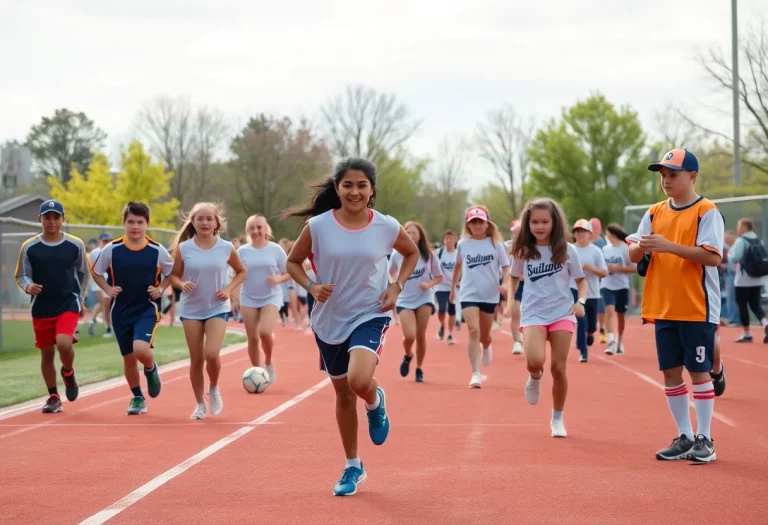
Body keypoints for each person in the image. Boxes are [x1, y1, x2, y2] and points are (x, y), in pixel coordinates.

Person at [284, 157, 419, 497]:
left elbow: (411, 253)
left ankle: (375, 401)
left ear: (372, 190)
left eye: (362, 185)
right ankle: (353, 465)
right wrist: (312, 287)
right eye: (348, 185)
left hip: (370, 313)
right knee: (343, 394)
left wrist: (396, 286)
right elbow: (293, 262)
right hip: (329, 319)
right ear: (337, 188)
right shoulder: (318, 227)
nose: (355, 191)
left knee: (360, 381)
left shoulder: (386, 226)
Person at [628, 148, 724, 463]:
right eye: (663, 175)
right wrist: (638, 248)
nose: (666, 181)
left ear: (692, 176)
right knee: (671, 372)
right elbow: (634, 254)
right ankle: (684, 435)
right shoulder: (654, 212)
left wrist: (670, 247)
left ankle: (705, 438)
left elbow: (712, 256)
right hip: (662, 305)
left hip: (696, 306)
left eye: (673, 175)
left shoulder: (706, 210)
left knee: (698, 371)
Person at [510, 198, 586, 437]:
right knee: (535, 360)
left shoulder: (566, 249)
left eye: (545, 221)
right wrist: (511, 300)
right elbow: (513, 276)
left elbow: (581, 281)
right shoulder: (523, 250)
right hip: (533, 312)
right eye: (534, 222)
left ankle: (557, 418)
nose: (540, 226)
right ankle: (534, 376)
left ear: (555, 222)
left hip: (562, 312)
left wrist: (581, 301)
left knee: (558, 366)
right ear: (527, 224)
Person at [90, 202, 170, 415]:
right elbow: (96, 271)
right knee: (128, 358)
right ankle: (137, 397)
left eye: (140, 222)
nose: (135, 226)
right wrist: (108, 288)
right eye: (131, 222)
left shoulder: (157, 250)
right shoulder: (112, 249)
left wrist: (161, 288)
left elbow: (172, 273)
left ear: (147, 224)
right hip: (121, 311)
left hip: (146, 308)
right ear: (124, 223)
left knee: (141, 350)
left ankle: (151, 369)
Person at [170, 202, 246, 420]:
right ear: (193, 223)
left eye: (208, 218)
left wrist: (229, 289)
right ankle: (199, 404)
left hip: (217, 306)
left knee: (211, 354)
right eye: (199, 219)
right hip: (192, 309)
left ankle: (213, 387)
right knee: (196, 359)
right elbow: (174, 275)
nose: (204, 222)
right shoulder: (185, 248)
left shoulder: (225, 247)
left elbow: (241, 271)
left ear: (216, 223)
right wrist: (181, 284)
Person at [14, 200, 89, 413]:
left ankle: (68, 372)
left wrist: (81, 298)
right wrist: (28, 287)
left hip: (68, 302)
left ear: (63, 219)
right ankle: (54, 396)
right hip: (41, 308)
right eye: (48, 217)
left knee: (64, 343)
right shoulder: (29, 247)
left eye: (57, 217)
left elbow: (84, 273)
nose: (52, 221)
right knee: (47, 355)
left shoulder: (75, 244)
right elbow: (21, 275)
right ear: (40, 220)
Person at [450, 205, 510, 388]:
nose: (476, 225)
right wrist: (453, 288)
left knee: (485, 336)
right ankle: (475, 373)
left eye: (480, 222)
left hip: (490, 295)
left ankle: (486, 345)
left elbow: (506, 268)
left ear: (487, 223)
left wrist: (506, 283)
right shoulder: (462, 244)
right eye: (473, 222)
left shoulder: (495, 244)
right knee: (473, 331)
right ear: (468, 225)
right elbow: (458, 266)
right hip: (469, 293)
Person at [234, 214, 288, 381]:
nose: (256, 231)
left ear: (266, 229)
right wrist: (234, 297)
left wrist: (278, 279)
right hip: (248, 297)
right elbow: (234, 275)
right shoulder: (241, 251)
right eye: (252, 228)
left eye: (259, 227)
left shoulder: (275, 249)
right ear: (247, 231)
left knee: (265, 332)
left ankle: (269, 361)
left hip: (271, 296)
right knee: (252, 337)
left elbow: (289, 272)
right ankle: (257, 373)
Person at [390, 221, 442, 383]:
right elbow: (390, 273)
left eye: (414, 232)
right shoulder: (397, 254)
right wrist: (396, 284)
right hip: (404, 299)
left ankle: (419, 368)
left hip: (424, 298)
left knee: (420, 335)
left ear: (420, 235)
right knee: (409, 335)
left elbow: (439, 277)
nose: (411, 235)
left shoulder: (429, 255)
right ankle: (408, 355)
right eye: (407, 232)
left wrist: (428, 284)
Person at [570, 219, 607, 363]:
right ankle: (583, 350)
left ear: (590, 234)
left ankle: (590, 333)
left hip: (593, 293)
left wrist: (589, 268)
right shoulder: (570, 250)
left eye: (583, 231)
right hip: (574, 290)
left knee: (591, 325)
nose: (580, 234)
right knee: (581, 319)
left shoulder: (596, 251)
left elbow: (604, 273)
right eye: (577, 232)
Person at [729, 218, 768, 343]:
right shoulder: (757, 239)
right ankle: (765, 323)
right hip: (757, 278)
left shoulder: (741, 240)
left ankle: (747, 333)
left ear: (744, 227)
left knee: (742, 305)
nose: (738, 228)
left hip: (743, 279)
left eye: (739, 226)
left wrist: (729, 254)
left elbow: (736, 257)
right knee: (755, 304)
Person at [601, 223, 635, 356]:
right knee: (609, 312)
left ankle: (619, 339)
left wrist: (618, 268)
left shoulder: (625, 249)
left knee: (620, 315)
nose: (606, 235)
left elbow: (635, 268)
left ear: (612, 234)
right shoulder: (604, 249)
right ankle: (611, 342)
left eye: (607, 233)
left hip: (621, 286)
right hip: (606, 286)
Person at [87, 231, 115, 337]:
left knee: (105, 304)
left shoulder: (113, 251)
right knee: (105, 305)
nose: (107, 242)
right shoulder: (95, 253)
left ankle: (93, 320)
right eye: (105, 241)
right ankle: (108, 328)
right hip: (98, 281)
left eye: (109, 240)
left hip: (108, 281)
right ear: (100, 241)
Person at [434, 230, 458, 345]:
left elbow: (463, 268)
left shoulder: (458, 253)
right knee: (442, 309)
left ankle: (450, 334)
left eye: (451, 238)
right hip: (440, 286)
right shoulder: (439, 252)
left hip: (453, 287)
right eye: (446, 238)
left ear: (455, 240)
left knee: (452, 311)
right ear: (444, 240)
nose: (448, 240)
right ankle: (442, 324)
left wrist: (460, 280)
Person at [507, 220, 524, 355]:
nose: (516, 234)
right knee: (515, 312)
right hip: (515, 283)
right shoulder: (507, 246)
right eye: (514, 232)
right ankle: (517, 342)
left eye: (519, 231)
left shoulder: (532, 246)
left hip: (531, 285)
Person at [590, 218, 608, 342]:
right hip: (588, 279)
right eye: (592, 228)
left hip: (601, 280)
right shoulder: (584, 242)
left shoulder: (604, 244)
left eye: (596, 228)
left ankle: (601, 328)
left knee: (601, 307)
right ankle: (588, 329)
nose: (594, 231)